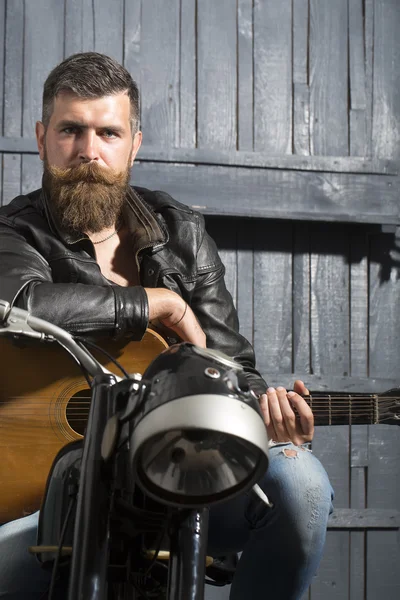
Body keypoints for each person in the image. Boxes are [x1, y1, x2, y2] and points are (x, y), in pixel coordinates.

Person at [0, 52, 333, 600]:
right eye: (70, 131)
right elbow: (19, 300)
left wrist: (266, 425)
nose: (88, 152)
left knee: (299, 479)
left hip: (176, 488)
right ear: (42, 138)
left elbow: (234, 375)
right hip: (43, 507)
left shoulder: (183, 234)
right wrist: (157, 304)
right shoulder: (14, 232)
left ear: (133, 143)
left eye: (108, 132)